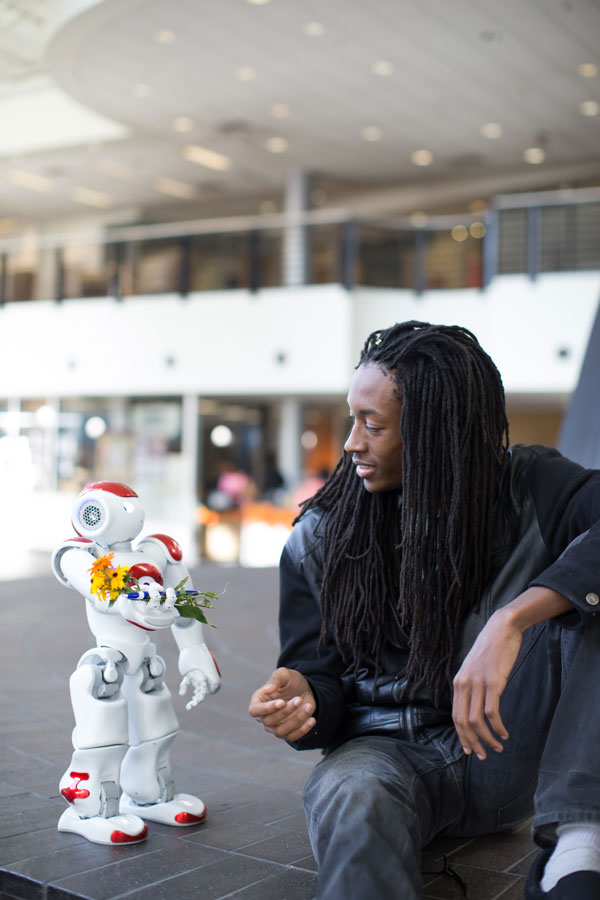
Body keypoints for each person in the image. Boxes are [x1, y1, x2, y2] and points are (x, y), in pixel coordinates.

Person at [248, 321, 600, 900]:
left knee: (590, 596)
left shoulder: (530, 486)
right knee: (351, 794)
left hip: (507, 750)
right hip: (379, 760)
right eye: (353, 419)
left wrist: (511, 619)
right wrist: (305, 697)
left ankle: (579, 849)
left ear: (440, 434)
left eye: (374, 425)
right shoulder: (318, 537)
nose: (351, 443)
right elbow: (321, 676)